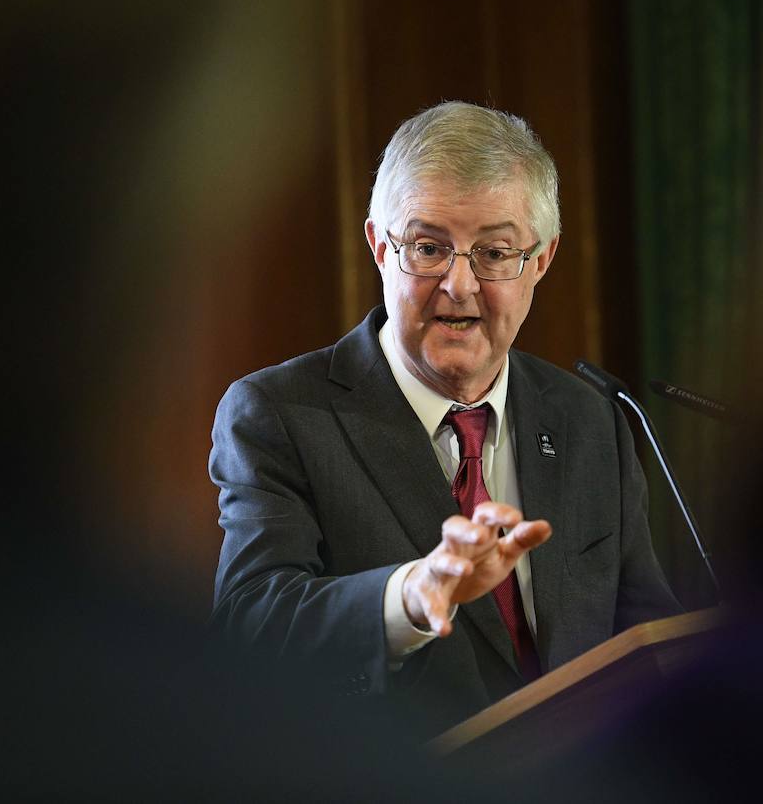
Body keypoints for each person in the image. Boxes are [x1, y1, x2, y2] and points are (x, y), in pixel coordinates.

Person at [210, 101, 681, 733]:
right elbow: (251, 625)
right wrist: (412, 595)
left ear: (539, 261)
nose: (459, 285)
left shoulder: (590, 420)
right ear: (380, 247)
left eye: (493, 252)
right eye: (429, 247)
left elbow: (643, 642)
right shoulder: (280, 414)